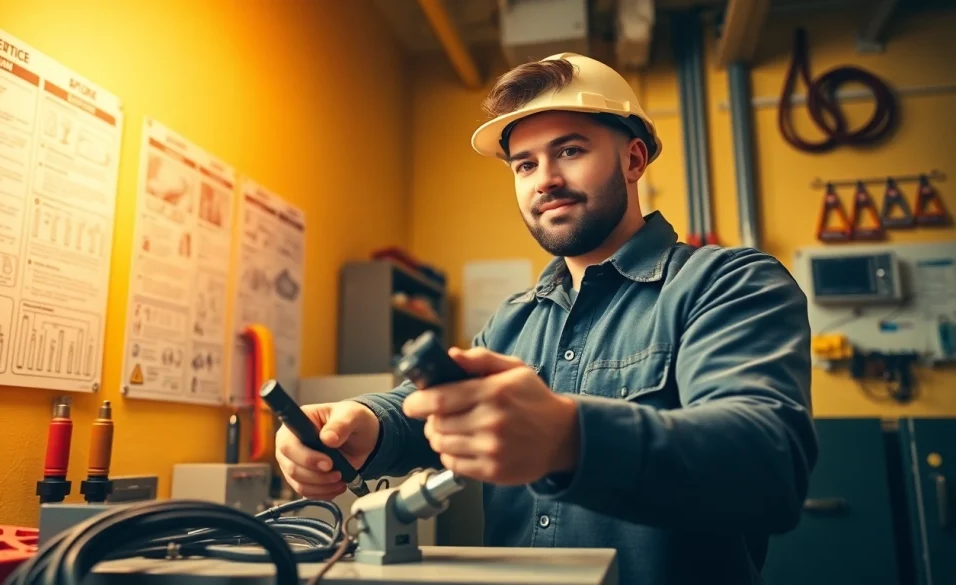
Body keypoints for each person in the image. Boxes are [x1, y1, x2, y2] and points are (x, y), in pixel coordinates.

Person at [275, 52, 818, 585]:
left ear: (633, 160)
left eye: (571, 150)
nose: (545, 180)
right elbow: (431, 411)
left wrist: (570, 439)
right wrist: (365, 422)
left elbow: (766, 464)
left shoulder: (729, 283)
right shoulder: (514, 322)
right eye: (525, 164)